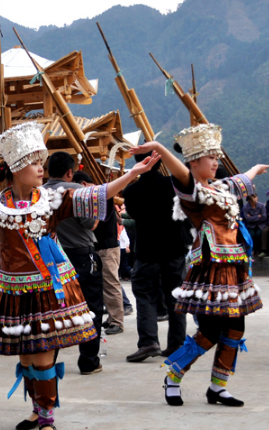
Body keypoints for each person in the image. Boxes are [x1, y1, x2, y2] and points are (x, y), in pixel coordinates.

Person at [0, 122, 159, 429]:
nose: (40, 169)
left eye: (41, 163)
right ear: (17, 168)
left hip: (49, 289)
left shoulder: (52, 201)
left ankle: (47, 418)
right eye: (34, 163)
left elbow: (95, 195)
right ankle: (36, 410)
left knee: (44, 355)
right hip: (14, 292)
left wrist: (131, 174)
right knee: (28, 356)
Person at [129, 124, 267, 408]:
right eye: (210, 157)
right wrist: (158, 147)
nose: (216, 162)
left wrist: (256, 168)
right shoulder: (191, 192)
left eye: (217, 157)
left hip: (234, 266)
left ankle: (218, 387)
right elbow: (179, 171)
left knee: (236, 329)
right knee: (211, 331)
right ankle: (174, 375)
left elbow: (241, 180)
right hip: (211, 270)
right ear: (193, 162)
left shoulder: (220, 187)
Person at [122, 152, 191, 363]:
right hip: (174, 248)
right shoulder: (174, 184)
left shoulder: (131, 190)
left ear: (137, 163)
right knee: (175, 296)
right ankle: (177, 344)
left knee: (145, 295)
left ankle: (148, 342)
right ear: (161, 162)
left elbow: (133, 215)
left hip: (147, 250)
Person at [45, 153, 105, 376]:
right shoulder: (77, 191)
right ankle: (88, 361)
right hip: (80, 256)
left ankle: (48, 360)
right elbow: (91, 225)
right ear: (70, 172)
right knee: (91, 309)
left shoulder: (38, 193)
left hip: (49, 257)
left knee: (52, 310)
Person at [74, 170, 125, 336]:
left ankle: (117, 321)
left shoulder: (100, 195)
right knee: (104, 285)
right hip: (101, 247)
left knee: (111, 284)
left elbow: (92, 223)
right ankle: (111, 319)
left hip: (108, 247)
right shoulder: (99, 194)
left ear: (82, 184)